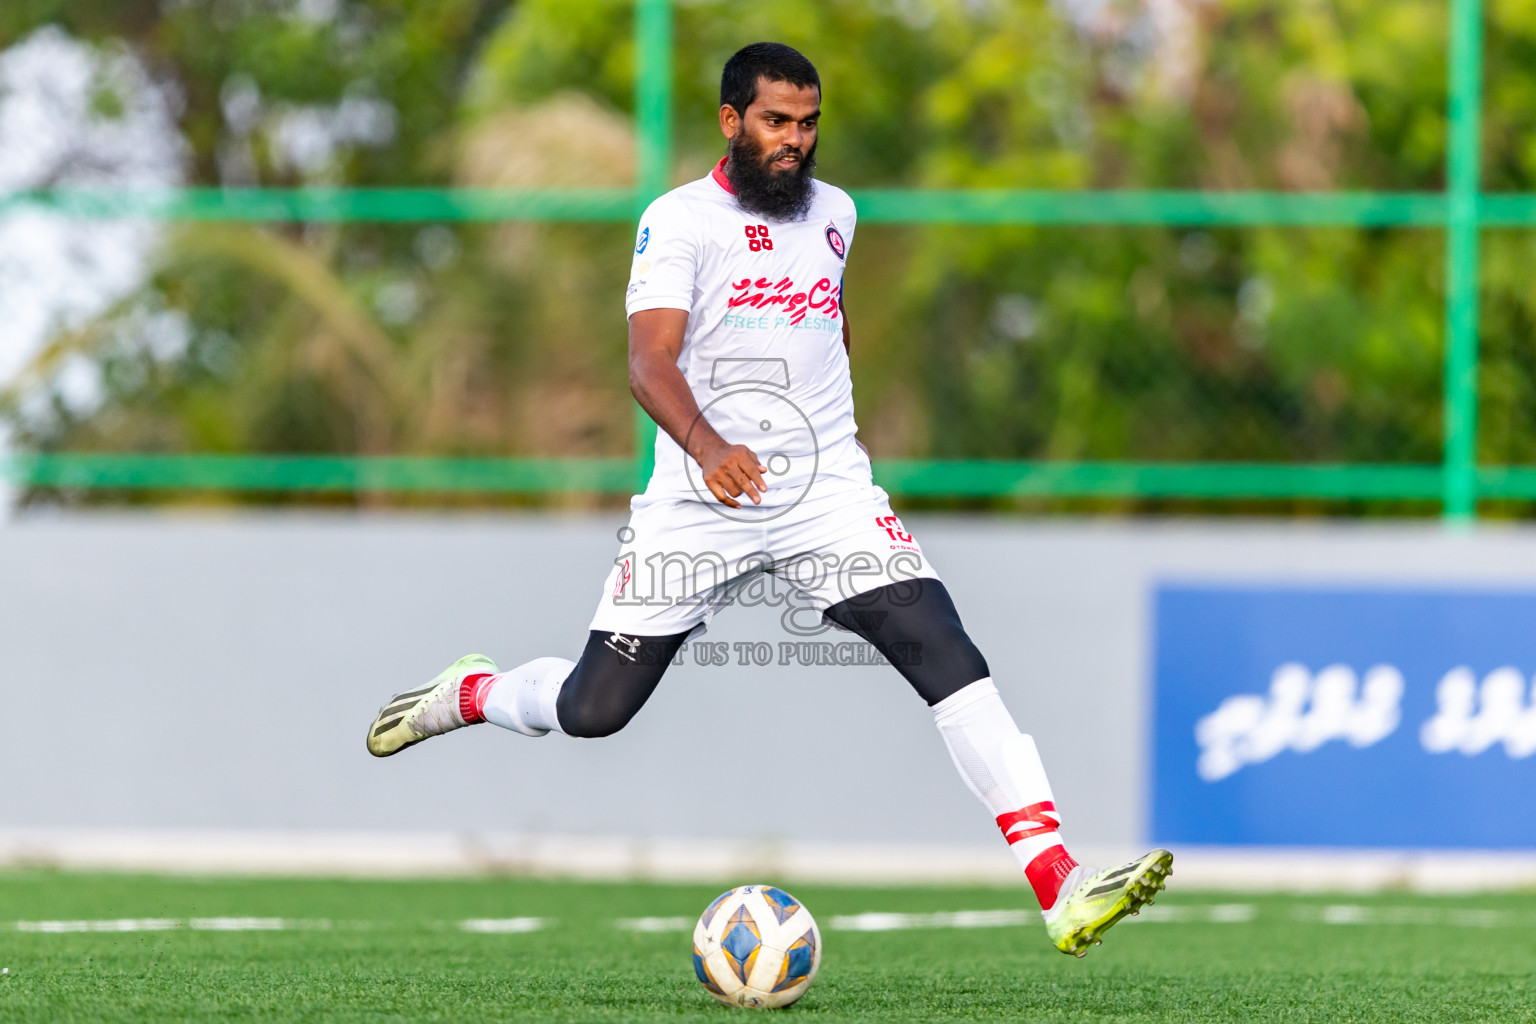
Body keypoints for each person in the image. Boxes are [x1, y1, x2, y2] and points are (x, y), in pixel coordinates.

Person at [365, 41, 1170, 956]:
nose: (795, 141)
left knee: (943, 648)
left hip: (827, 493)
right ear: (730, 121)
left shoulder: (837, 213)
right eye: (776, 122)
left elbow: (829, 324)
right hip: (699, 500)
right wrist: (708, 447)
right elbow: (647, 362)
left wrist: (837, 448)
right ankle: (472, 692)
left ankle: (1057, 882)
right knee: (596, 710)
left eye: (808, 123)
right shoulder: (677, 222)